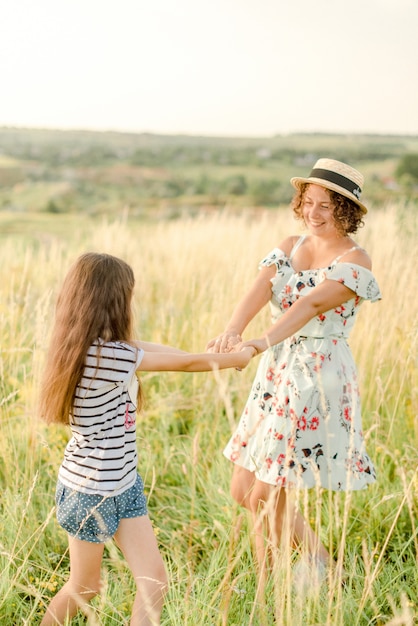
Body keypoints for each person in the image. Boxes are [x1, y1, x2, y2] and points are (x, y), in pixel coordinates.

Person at [38, 252, 256, 626]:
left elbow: (165, 354)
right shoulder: (108, 356)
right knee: (84, 587)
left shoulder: (93, 348)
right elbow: (184, 365)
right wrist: (243, 354)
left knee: (154, 581)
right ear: (113, 300)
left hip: (123, 484)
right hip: (90, 492)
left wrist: (209, 354)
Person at [207, 158, 381, 591]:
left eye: (326, 205)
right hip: (276, 370)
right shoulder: (289, 242)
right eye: (308, 202)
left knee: (266, 491)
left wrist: (259, 342)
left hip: (317, 375)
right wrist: (233, 330)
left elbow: (309, 307)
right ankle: (317, 566)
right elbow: (262, 286)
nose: (313, 213)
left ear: (346, 211)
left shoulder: (356, 259)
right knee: (243, 487)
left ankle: (275, 583)